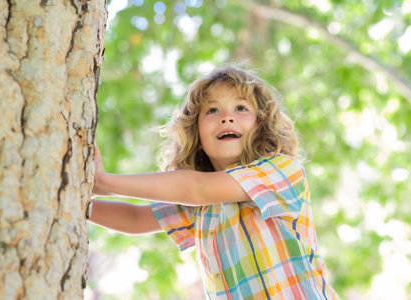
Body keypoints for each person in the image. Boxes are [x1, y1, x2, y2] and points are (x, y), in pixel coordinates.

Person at [89, 65, 339, 299]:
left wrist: (104, 182)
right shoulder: (206, 206)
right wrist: (79, 199)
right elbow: (135, 218)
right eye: (212, 110)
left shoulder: (282, 170)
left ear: (261, 125)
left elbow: (196, 188)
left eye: (241, 108)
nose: (227, 118)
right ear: (195, 134)